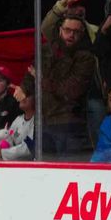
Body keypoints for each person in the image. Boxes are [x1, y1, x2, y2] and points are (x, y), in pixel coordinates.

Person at [19, 10, 94, 160]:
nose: (71, 35)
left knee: (70, 170)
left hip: (70, 124)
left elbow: (70, 91)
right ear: (60, 30)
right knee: (44, 173)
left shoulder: (85, 57)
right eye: (67, 30)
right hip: (43, 121)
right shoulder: (46, 50)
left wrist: (40, 79)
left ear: (82, 33)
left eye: (76, 32)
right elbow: (31, 73)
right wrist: (24, 88)